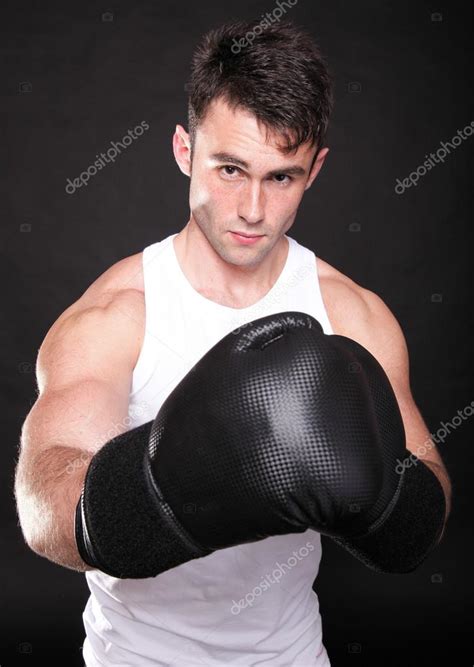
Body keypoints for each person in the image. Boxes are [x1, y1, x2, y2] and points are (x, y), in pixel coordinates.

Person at [14, 19, 452, 667]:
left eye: (281, 177)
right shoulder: (118, 313)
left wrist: (387, 498)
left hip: (293, 655)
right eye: (230, 168)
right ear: (184, 149)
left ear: (316, 168)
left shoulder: (353, 316)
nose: (252, 208)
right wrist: (176, 482)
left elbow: (431, 494)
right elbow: (44, 503)